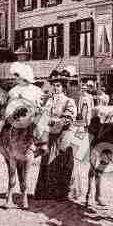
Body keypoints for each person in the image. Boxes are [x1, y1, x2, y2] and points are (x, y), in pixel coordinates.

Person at [34, 68, 79, 201]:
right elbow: (43, 114)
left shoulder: (68, 101)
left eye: (58, 86)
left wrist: (54, 121)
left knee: (60, 161)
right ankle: (46, 192)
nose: (55, 88)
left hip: (63, 135)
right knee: (46, 161)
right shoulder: (49, 100)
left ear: (63, 87)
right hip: (50, 136)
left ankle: (61, 193)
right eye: (53, 85)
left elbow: (68, 118)